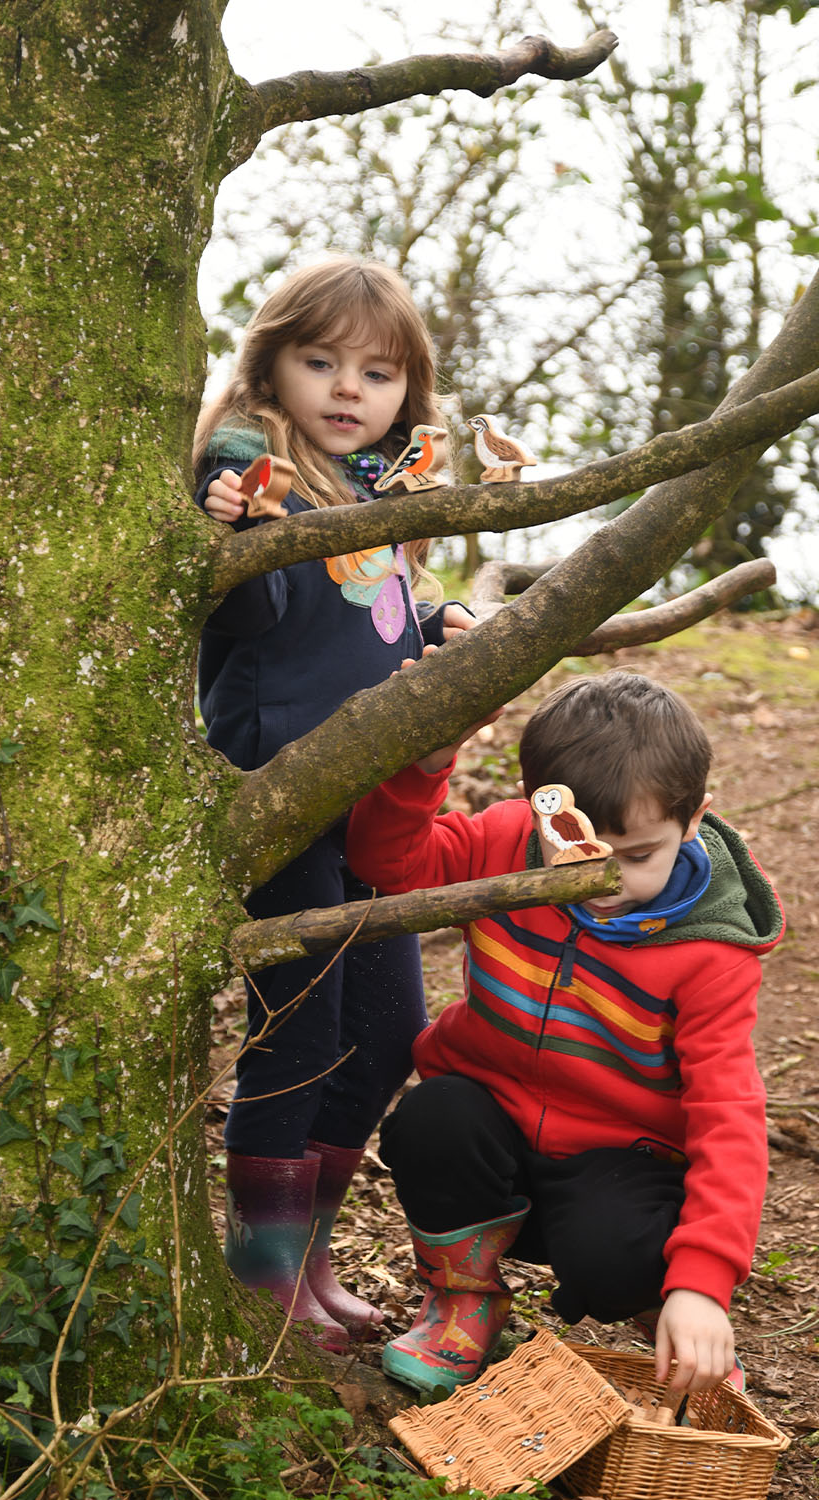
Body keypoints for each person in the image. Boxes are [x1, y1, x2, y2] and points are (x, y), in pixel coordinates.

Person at [345, 670, 785, 1396]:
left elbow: (728, 1113)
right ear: (539, 811)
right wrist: (425, 762)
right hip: (495, 1147)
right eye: (577, 850)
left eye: (639, 855)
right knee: (431, 1121)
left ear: (695, 818)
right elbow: (390, 865)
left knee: (617, 1256)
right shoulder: (503, 843)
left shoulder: (710, 953)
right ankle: (464, 1300)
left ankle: (671, 1323)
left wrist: (703, 1285)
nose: (607, 880)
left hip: (622, 1168)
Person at [193, 256, 474, 1351]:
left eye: (378, 371)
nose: (350, 388)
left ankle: (306, 1257)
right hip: (284, 792)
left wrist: (437, 623)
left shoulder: (381, 489)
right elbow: (256, 612)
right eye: (322, 362)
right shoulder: (253, 472)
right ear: (273, 363)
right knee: (298, 1030)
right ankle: (263, 1272)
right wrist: (234, 523)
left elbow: (374, 613)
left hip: (372, 803)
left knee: (391, 1031)